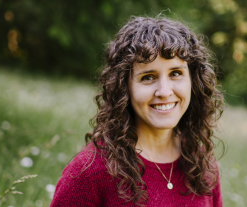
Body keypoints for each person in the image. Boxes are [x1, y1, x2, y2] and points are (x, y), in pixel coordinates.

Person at [50, 16, 225, 207]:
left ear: (193, 81)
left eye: (176, 73)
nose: (165, 92)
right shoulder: (91, 171)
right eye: (148, 77)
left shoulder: (202, 166)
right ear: (124, 87)